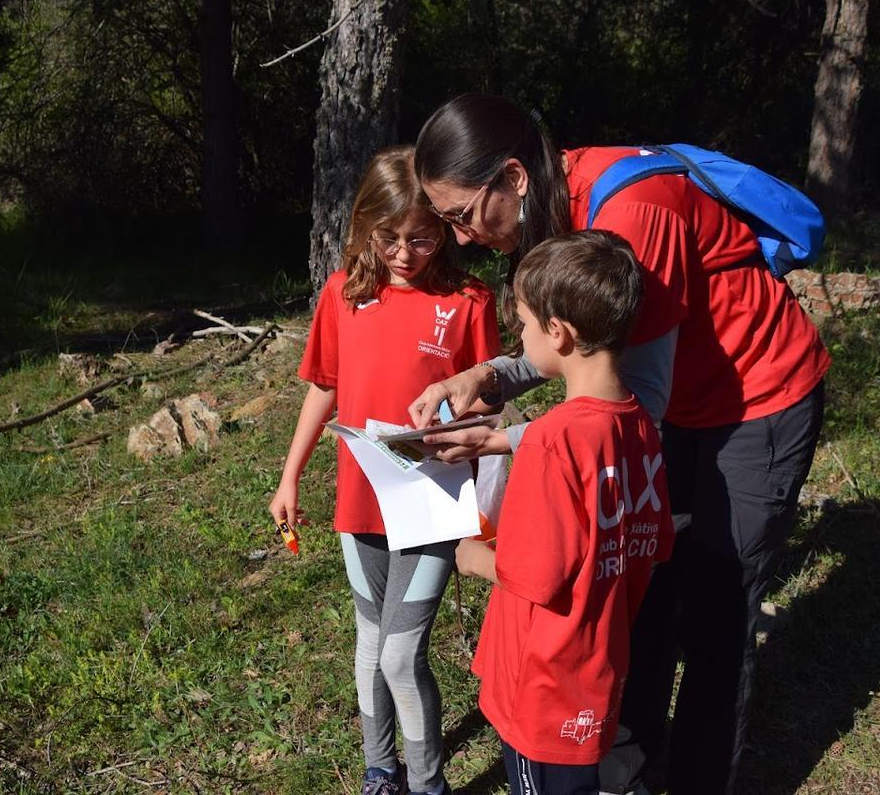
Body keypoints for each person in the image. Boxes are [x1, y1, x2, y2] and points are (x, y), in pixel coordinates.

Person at [407, 93, 830, 795]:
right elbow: (579, 354)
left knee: (716, 613)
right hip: (674, 407)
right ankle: (622, 757)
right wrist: (493, 374)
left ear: (512, 176)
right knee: (647, 586)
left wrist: (505, 441)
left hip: (757, 399)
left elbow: (634, 404)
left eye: (461, 216)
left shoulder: (632, 211)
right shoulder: (555, 203)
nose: (462, 239)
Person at [269, 145, 500, 795]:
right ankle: (380, 769)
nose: (403, 253)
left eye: (421, 239)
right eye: (389, 237)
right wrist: (289, 477)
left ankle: (428, 783)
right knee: (370, 639)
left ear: (445, 232)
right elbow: (323, 385)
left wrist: (469, 423)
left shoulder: (468, 300)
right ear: (363, 225)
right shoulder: (344, 294)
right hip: (359, 502)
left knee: (402, 653)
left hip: (430, 502)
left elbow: (492, 392)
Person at [454, 230, 674, 795]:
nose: (520, 338)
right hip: (599, 669)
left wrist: (473, 557)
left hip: (541, 683)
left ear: (559, 333)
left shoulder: (553, 441)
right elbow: (655, 541)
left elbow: (535, 575)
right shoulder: (641, 426)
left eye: (524, 325)